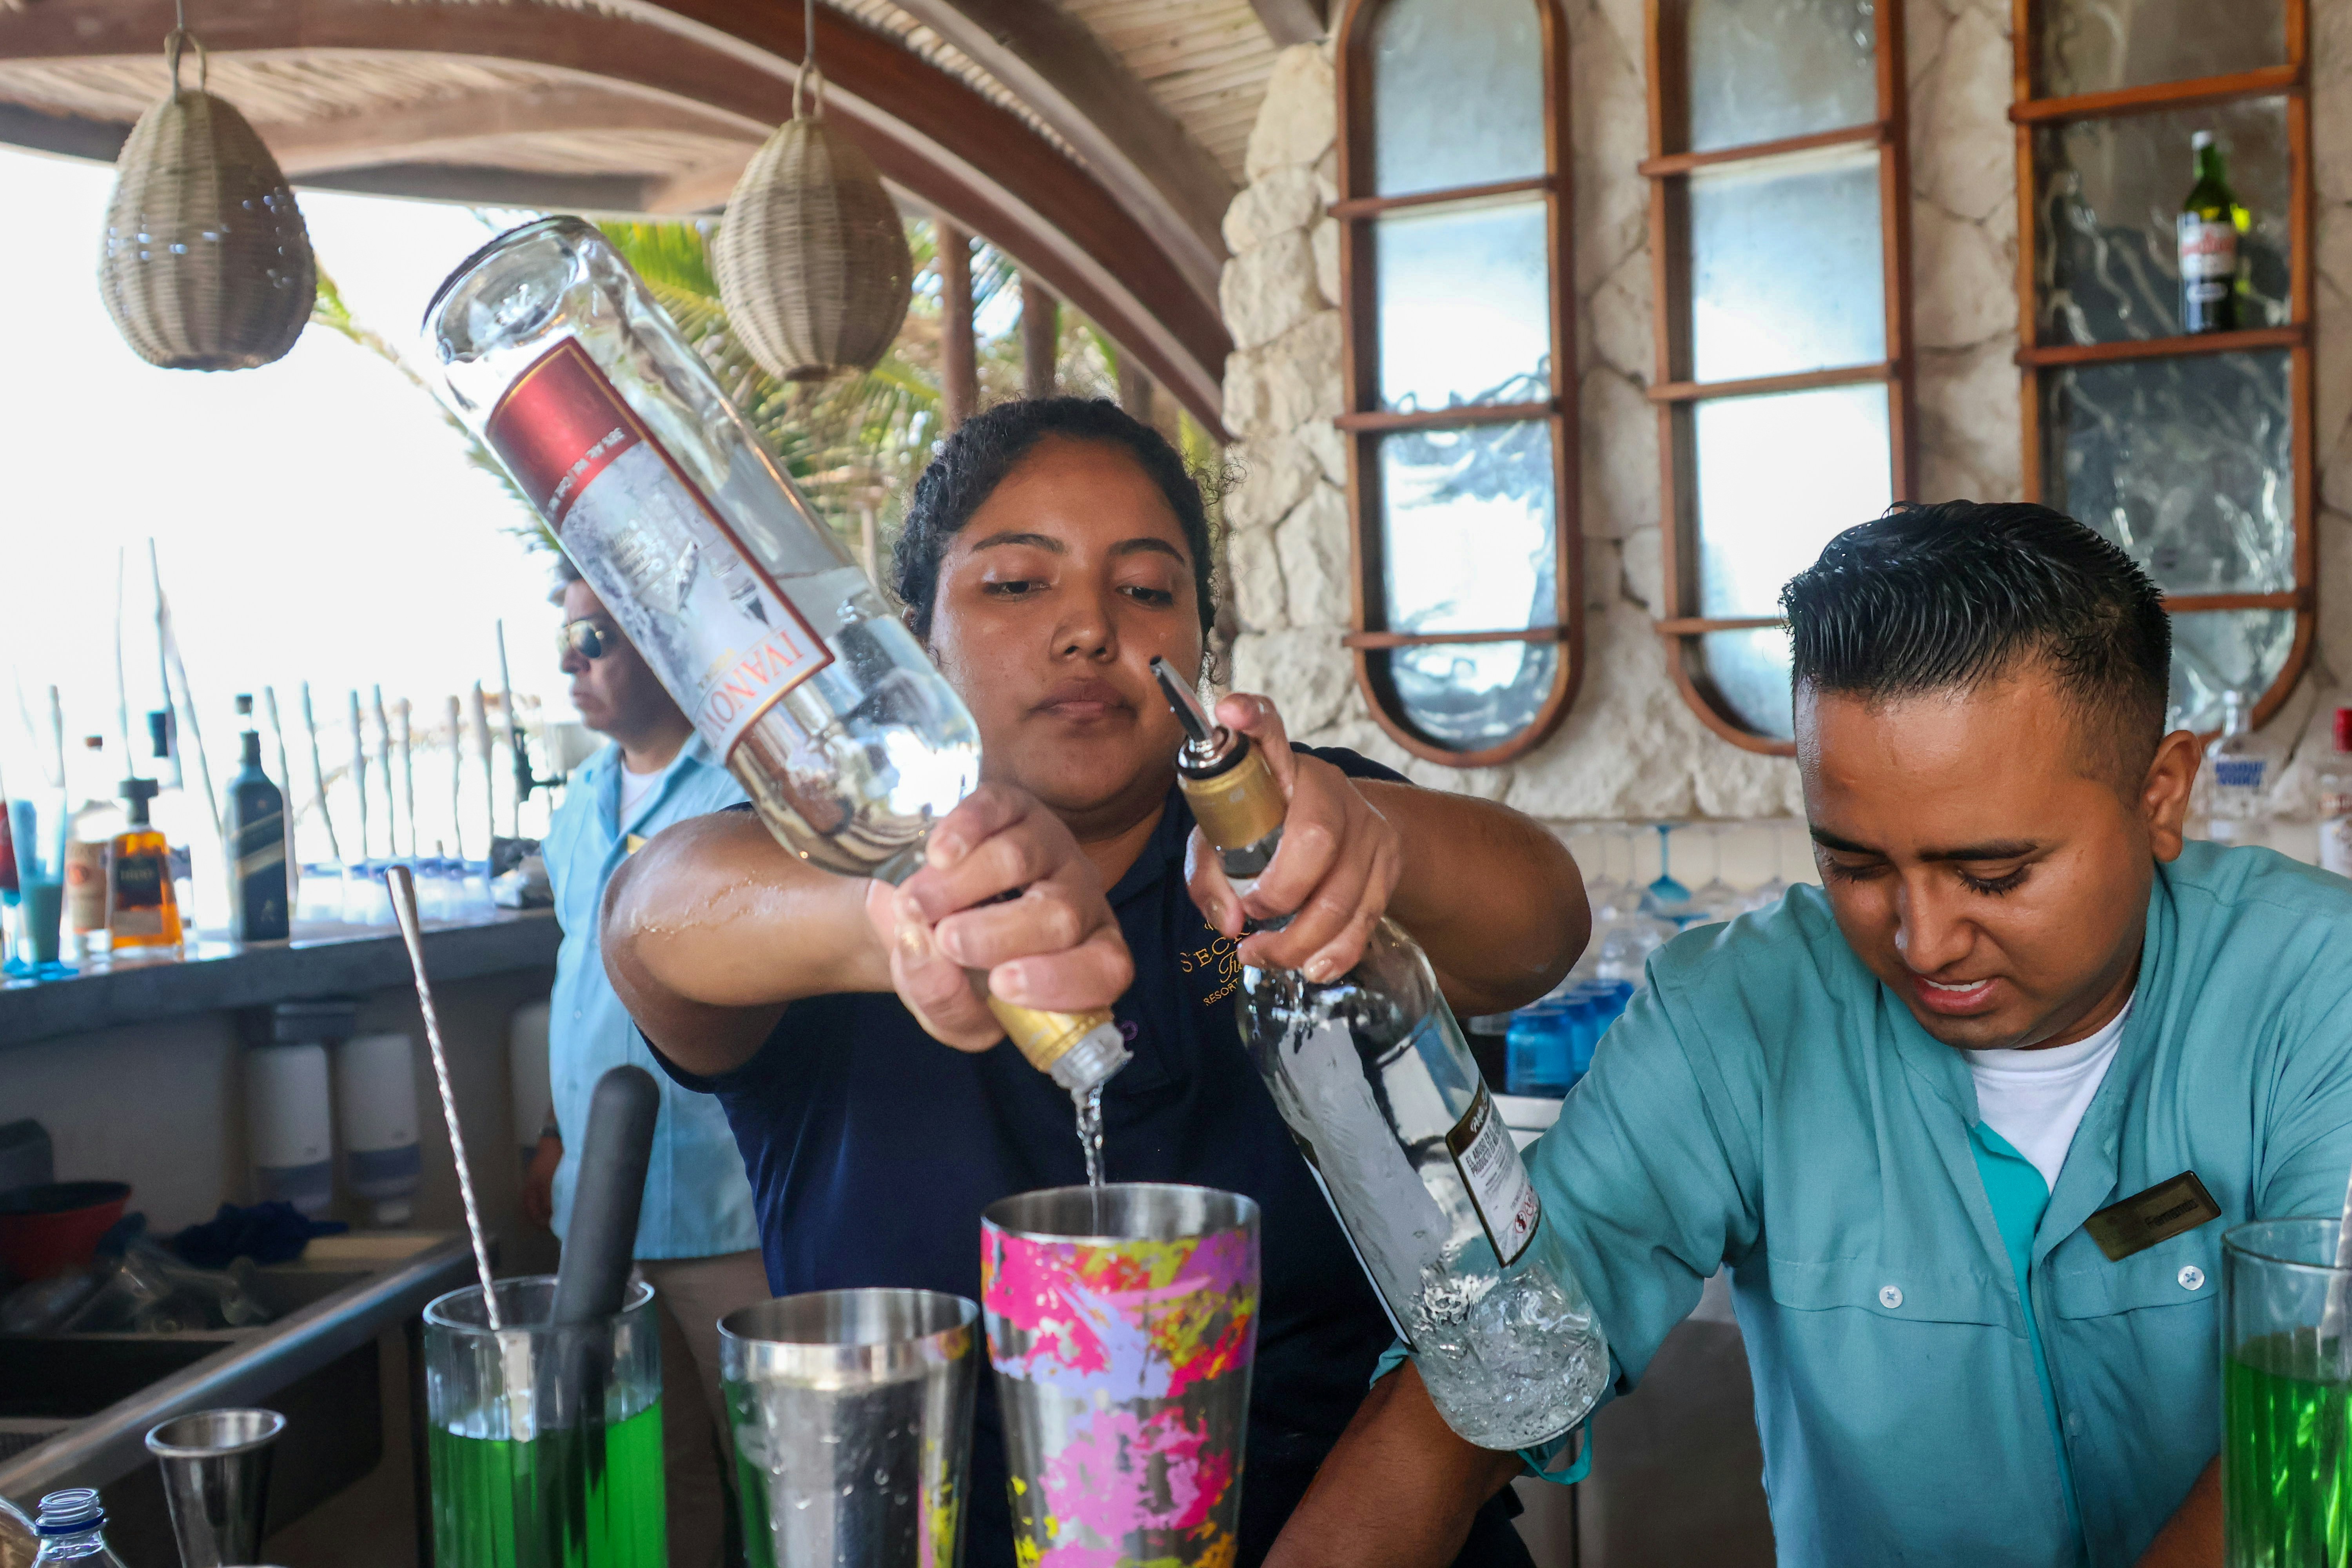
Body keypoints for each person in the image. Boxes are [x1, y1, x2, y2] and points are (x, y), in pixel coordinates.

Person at [1265, 501, 2352, 1568]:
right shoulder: (1735, 1014)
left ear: (2162, 796)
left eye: (1996, 873)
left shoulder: (2319, 990)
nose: (1923, 941)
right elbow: (1503, 1346)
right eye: (1856, 866)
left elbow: (2321, 1422)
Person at [600, 397, 1590, 1568]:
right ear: (918, 636)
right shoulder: (837, 858)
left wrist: (1374, 841)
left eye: (1148, 589)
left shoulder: (1290, 830)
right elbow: (657, 914)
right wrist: (902, 922)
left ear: (1203, 651)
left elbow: (1541, 922)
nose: (1089, 628)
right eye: (1018, 584)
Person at [530, 566, 767, 1568]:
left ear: (663, 646)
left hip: (722, 1203)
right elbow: (580, 984)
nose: (575, 666)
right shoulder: (579, 798)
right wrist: (555, 1139)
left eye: (598, 641)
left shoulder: (739, 789)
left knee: (765, 1465)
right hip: (600, 1206)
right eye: (565, 646)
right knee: (647, 1473)